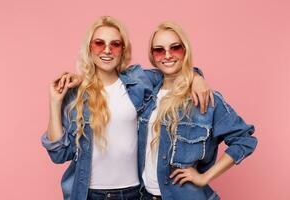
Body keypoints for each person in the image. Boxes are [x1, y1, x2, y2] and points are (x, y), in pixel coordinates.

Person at [41, 16, 213, 200]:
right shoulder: (75, 94)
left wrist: (197, 78)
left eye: (115, 44)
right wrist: (54, 101)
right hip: (88, 194)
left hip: (134, 193)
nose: (107, 50)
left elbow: (173, 71)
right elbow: (59, 154)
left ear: (123, 50)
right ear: (89, 48)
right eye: (99, 43)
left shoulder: (138, 82)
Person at [137, 22, 258, 200]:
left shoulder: (205, 99)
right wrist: (196, 75)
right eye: (159, 50)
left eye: (175, 48)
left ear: (185, 51)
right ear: (153, 56)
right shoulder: (145, 94)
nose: (167, 55)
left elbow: (245, 140)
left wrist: (205, 177)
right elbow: (116, 75)